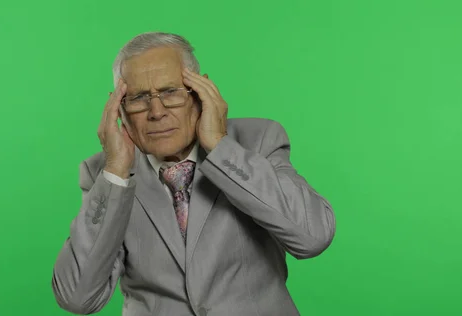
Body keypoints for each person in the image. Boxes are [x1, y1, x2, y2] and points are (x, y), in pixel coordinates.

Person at [51, 32, 336, 316]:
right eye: (138, 98)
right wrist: (115, 172)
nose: (156, 112)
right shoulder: (105, 173)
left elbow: (313, 237)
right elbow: (77, 298)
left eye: (171, 92)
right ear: (119, 109)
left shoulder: (258, 141)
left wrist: (220, 146)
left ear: (201, 92)